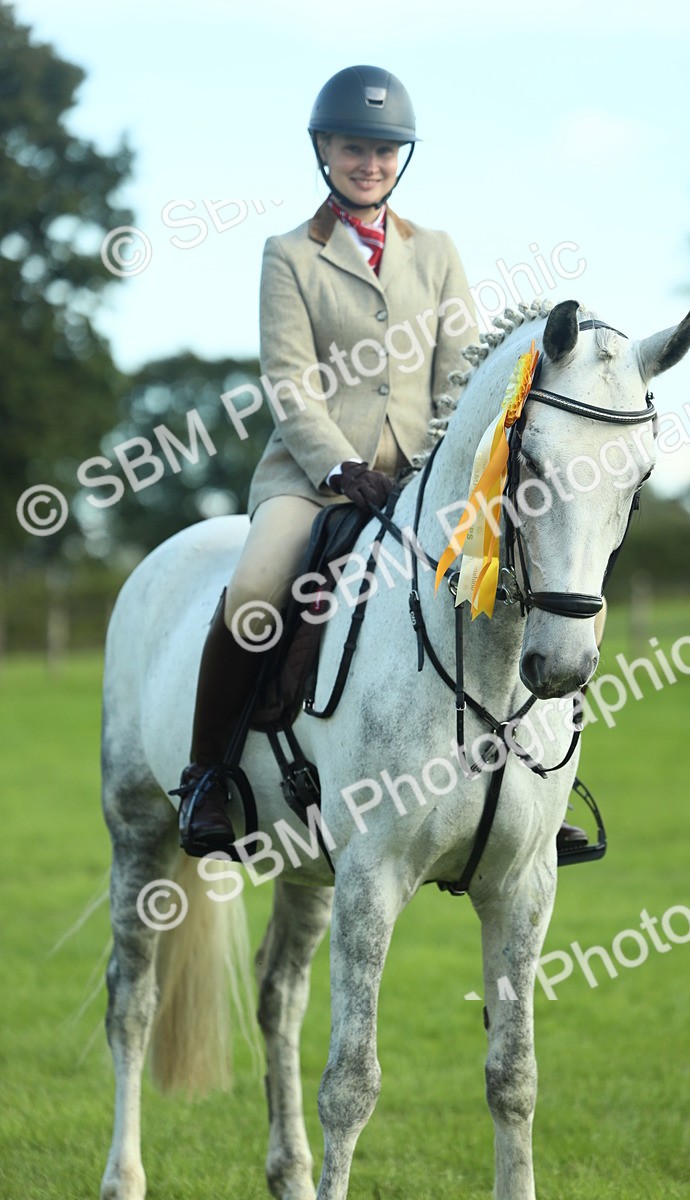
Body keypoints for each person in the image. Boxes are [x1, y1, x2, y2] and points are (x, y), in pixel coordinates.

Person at [174, 65, 483, 856]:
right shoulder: (288, 256)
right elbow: (288, 380)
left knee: (512, 580)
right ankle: (207, 776)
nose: (369, 164)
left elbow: (460, 374)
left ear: (400, 159)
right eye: (354, 148)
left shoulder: (439, 253)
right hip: (313, 485)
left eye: (384, 151)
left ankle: (528, 788)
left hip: (419, 485)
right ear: (324, 149)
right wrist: (341, 466)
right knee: (253, 589)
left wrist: (439, 469)